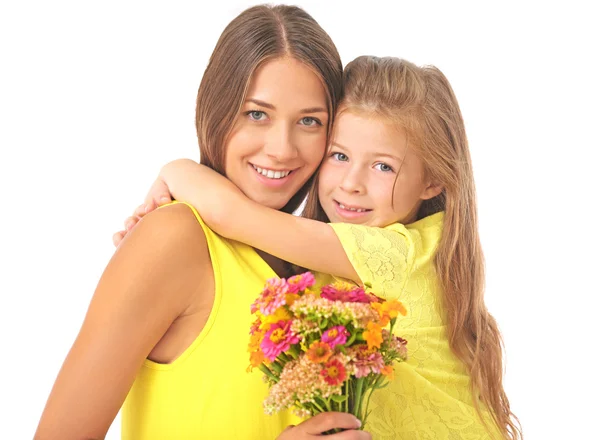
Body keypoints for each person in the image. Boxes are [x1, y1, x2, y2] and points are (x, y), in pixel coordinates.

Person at [117, 56, 522, 439]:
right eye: (339, 155)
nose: (351, 183)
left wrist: (174, 170)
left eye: (383, 166)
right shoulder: (326, 264)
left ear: (432, 181)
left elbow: (230, 213)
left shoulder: (401, 254)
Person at [34, 5, 373, 440]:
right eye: (256, 114)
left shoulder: (325, 262)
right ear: (214, 109)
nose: (281, 149)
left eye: (309, 121)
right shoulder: (173, 240)